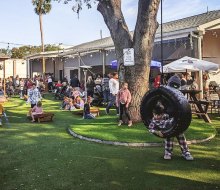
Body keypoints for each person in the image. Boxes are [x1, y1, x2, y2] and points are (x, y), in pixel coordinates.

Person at [163, 74, 194, 160]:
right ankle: (168, 152)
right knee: (169, 134)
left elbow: (185, 106)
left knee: (180, 135)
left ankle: (186, 152)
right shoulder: (165, 94)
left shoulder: (179, 95)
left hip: (178, 118)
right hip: (168, 117)